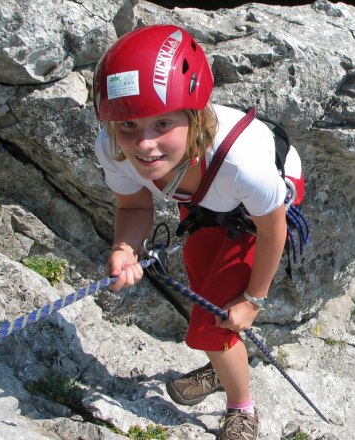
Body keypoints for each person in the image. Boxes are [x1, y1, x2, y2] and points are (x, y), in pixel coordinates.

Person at [92, 24, 292, 440]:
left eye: (162, 123)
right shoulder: (114, 146)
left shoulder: (244, 166)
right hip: (202, 194)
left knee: (210, 326)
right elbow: (133, 204)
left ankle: (242, 408)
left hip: (250, 205)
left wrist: (253, 301)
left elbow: (274, 232)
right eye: (128, 125)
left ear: (194, 116)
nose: (144, 145)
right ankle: (223, 365)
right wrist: (125, 247)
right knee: (207, 293)